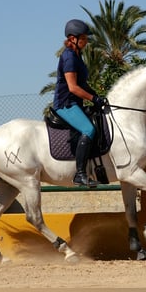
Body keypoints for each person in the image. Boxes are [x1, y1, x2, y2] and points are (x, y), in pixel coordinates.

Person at [53, 19, 106, 187]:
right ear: (73, 38)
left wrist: (96, 95)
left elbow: (82, 85)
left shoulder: (77, 56)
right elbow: (73, 88)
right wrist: (92, 99)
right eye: (84, 37)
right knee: (88, 129)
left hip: (75, 103)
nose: (87, 40)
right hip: (65, 104)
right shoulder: (69, 57)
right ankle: (80, 174)